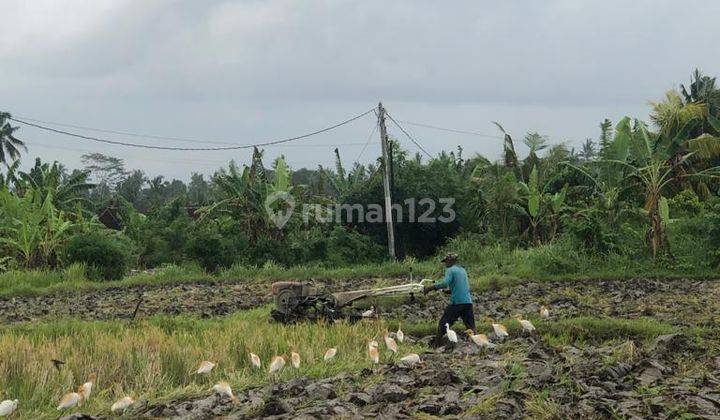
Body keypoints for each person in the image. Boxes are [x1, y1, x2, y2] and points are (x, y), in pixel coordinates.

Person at [423, 252, 476, 343]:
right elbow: (464, 287)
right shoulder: (462, 270)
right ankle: (475, 343)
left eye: (446, 262)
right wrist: (449, 291)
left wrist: (430, 287)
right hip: (467, 302)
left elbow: (444, 283)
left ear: (450, 261)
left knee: (444, 323)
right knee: (470, 326)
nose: (445, 264)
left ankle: (436, 343)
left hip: (457, 303)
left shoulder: (450, 270)